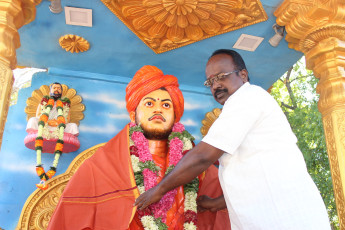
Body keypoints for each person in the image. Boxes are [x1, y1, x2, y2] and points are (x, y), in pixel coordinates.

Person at [135, 50, 331, 230]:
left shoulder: (248, 98)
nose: (215, 85)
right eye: (210, 81)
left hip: (284, 218)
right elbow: (251, 179)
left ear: (243, 75)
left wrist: (159, 190)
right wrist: (214, 204)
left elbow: (204, 156)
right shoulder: (241, 106)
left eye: (221, 76)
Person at [47, 66, 230, 229]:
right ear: (133, 114)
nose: (158, 110)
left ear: (175, 117)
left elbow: (231, 202)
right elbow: (72, 214)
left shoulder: (198, 167)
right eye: (149, 103)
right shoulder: (100, 166)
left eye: (166, 105)